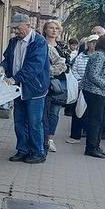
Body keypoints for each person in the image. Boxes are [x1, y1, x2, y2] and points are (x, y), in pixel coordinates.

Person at [2, 13, 51, 164]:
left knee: (35, 122)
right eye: (14, 28)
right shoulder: (13, 42)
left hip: (35, 88)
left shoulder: (39, 42)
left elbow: (34, 66)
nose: (16, 31)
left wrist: (15, 78)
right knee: (19, 121)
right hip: (17, 89)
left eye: (18, 28)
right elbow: (8, 59)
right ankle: (22, 149)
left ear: (28, 25)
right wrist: (2, 68)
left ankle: (38, 152)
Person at [42, 20, 68, 153]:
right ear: (45, 30)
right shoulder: (40, 43)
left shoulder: (62, 47)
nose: (53, 30)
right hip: (43, 82)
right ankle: (43, 138)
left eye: (56, 28)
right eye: (51, 28)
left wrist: (53, 71)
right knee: (43, 111)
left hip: (58, 82)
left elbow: (66, 65)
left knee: (55, 112)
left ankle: (50, 139)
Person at [67, 35, 98, 143]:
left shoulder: (102, 56)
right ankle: (75, 136)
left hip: (95, 88)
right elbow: (74, 68)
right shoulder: (80, 56)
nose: (94, 44)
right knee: (78, 111)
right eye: (92, 42)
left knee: (93, 114)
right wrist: (79, 80)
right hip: (81, 86)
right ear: (87, 44)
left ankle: (91, 138)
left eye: (96, 42)